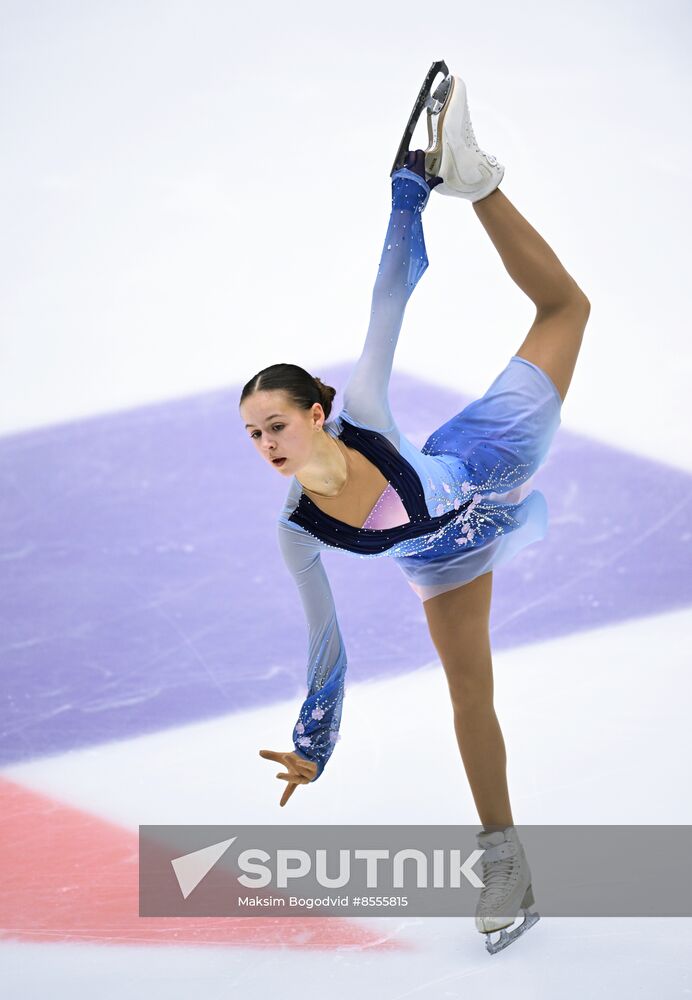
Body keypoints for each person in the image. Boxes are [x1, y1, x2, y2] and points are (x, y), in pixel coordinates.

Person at [240, 75, 589, 842]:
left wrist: (409, 195)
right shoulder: (298, 529)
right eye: (254, 434)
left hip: (492, 454)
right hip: (441, 558)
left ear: (316, 415)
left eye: (276, 425)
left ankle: (479, 182)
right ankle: (504, 863)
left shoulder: (363, 413)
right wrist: (313, 744)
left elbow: (388, 295)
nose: (267, 444)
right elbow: (326, 644)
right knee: (470, 693)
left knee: (566, 307)